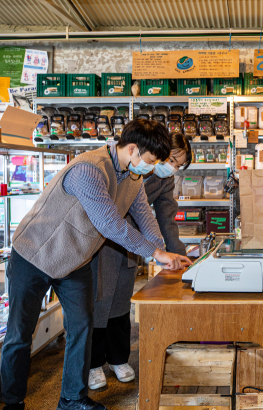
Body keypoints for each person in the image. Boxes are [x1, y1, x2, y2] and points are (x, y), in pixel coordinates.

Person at [0, 119, 192, 410]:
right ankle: (12, 401)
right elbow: (110, 224)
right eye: (150, 161)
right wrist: (154, 253)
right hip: (34, 255)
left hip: (74, 260)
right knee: (20, 334)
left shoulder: (134, 177)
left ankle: (72, 398)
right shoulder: (89, 168)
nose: (151, 169)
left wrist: (163, 252)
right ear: (133, 149)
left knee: (83, 327)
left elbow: (145, 217)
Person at [88, 132, 192, 390]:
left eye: (179, 166)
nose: (173, 169)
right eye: (173, 161)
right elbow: (109, 213)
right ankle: (92, 364)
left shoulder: (165, 181)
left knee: (122, 300)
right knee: (99, 301)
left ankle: (118, 359)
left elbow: (166, 218)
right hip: (105, 240)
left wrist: (180, 256)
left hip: (134, 245)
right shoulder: (133, 168)